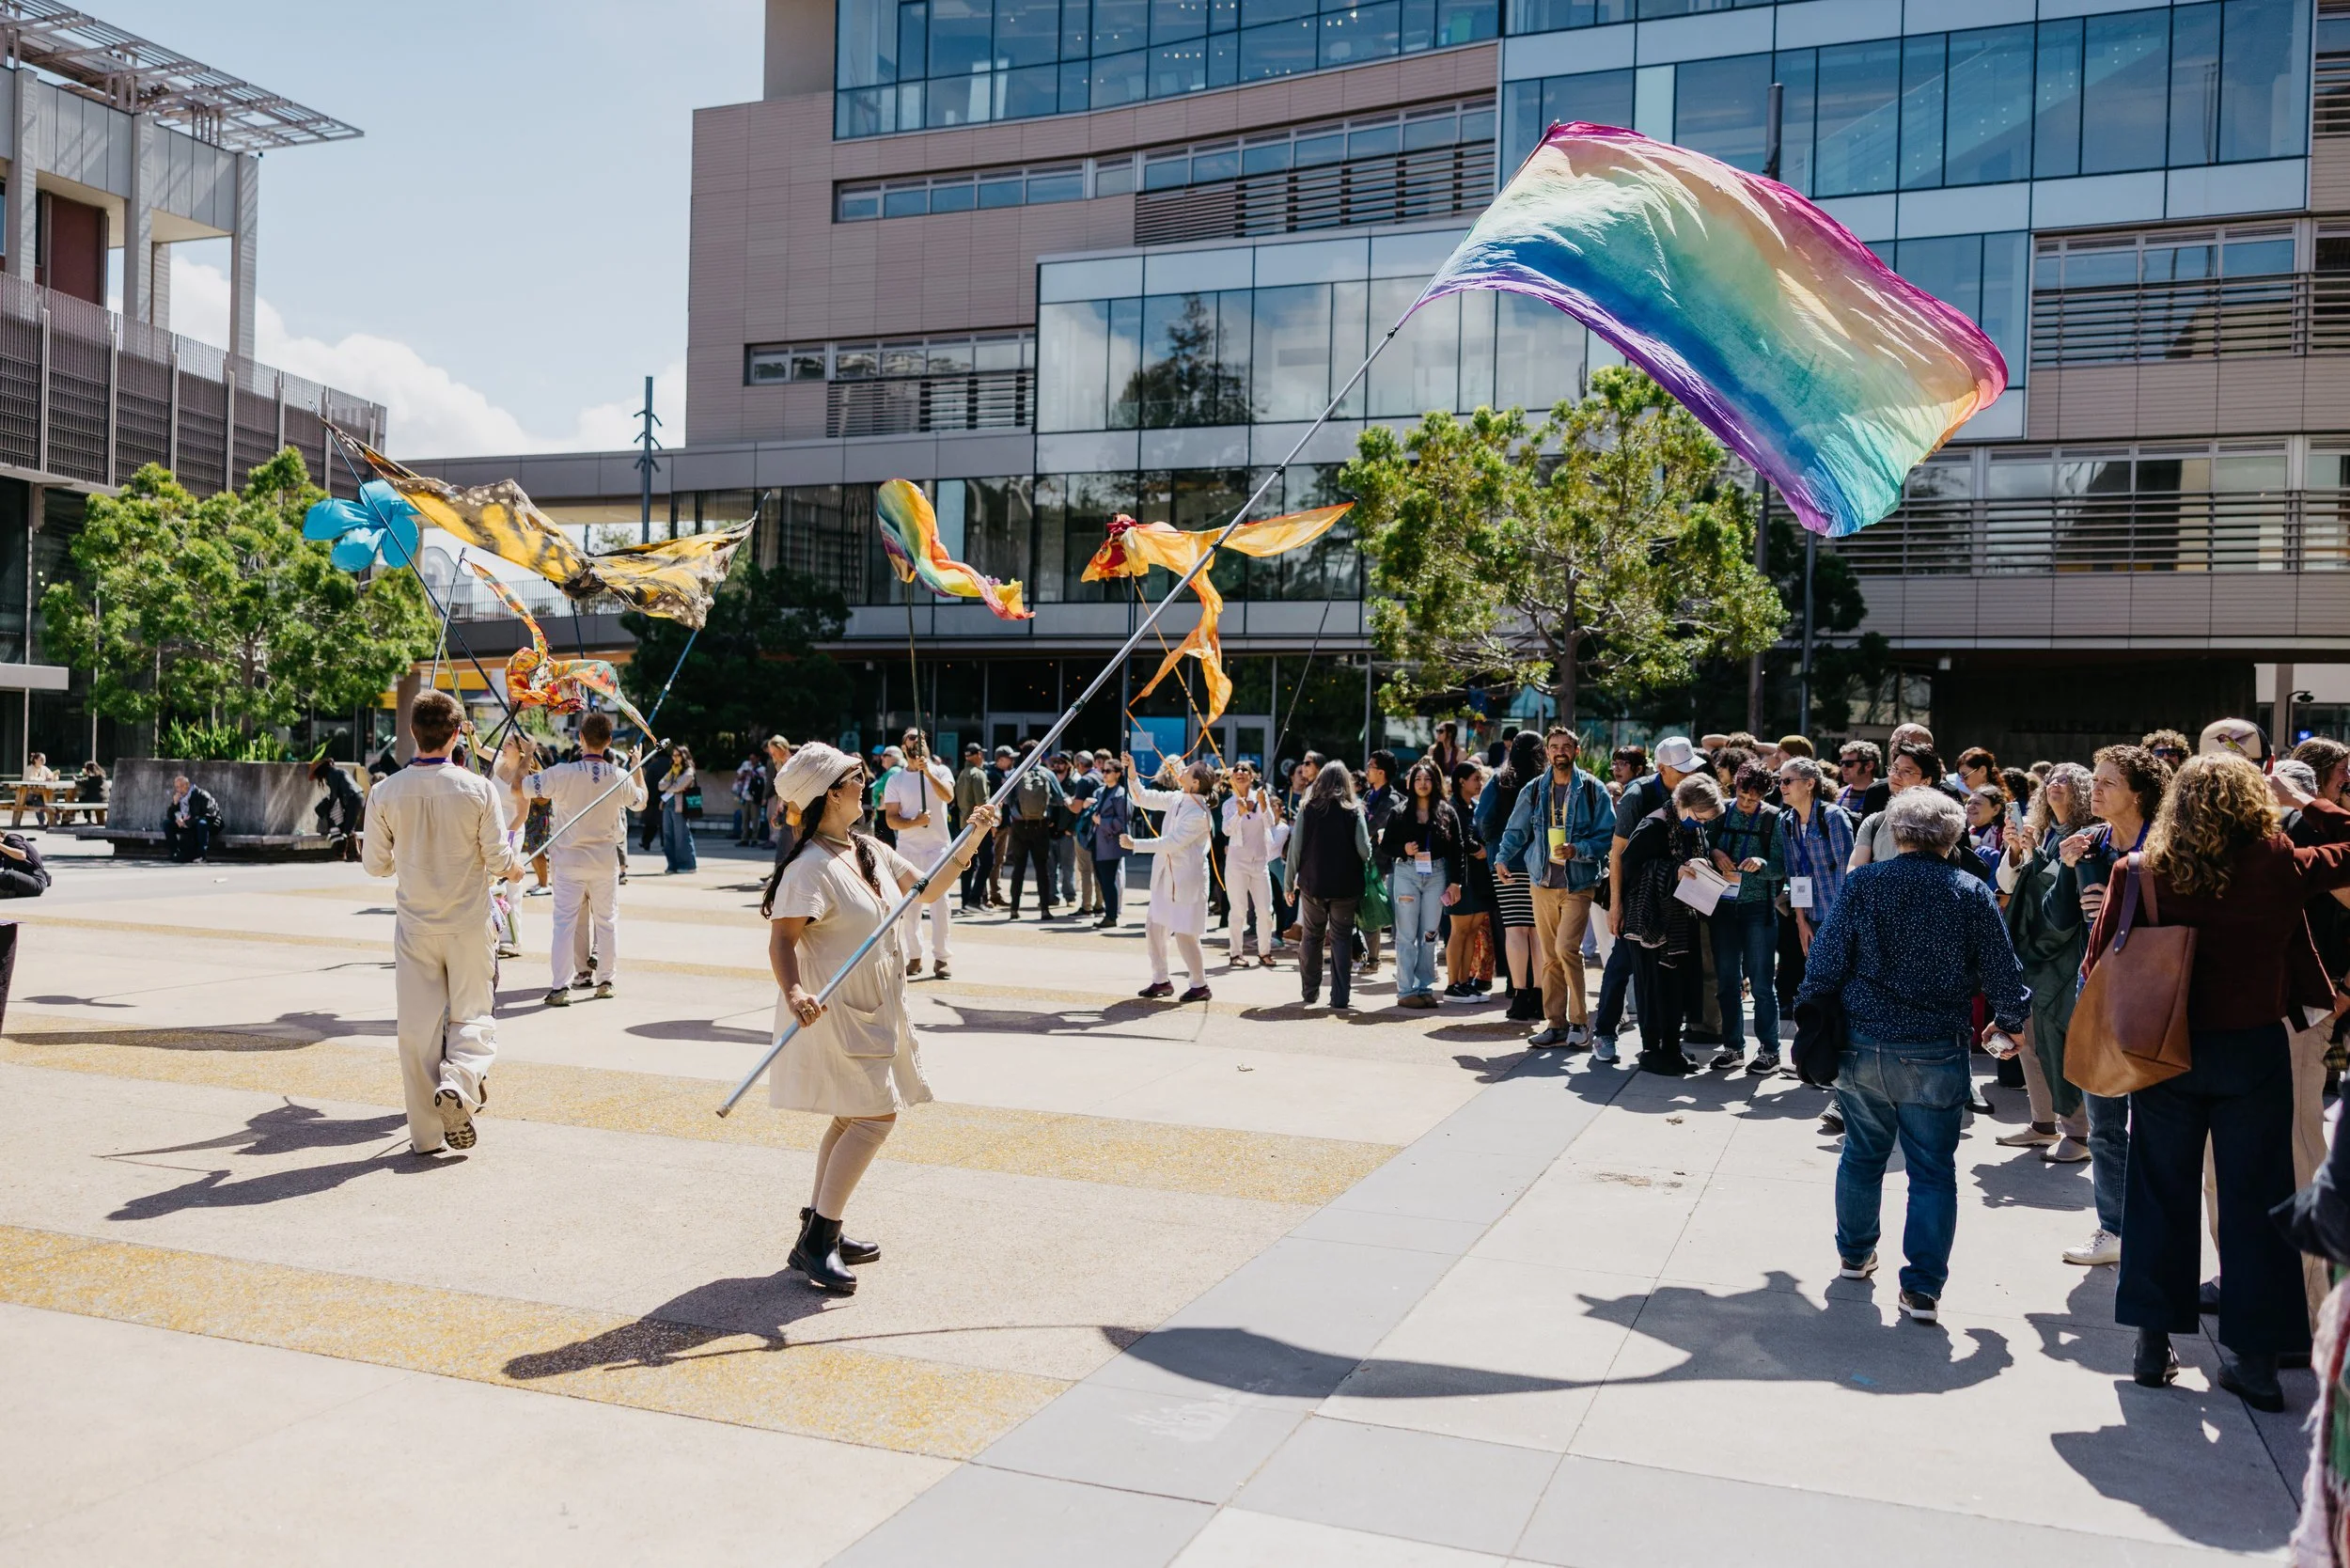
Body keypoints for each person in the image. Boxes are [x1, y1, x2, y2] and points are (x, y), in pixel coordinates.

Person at [2086, 756, 2350, 1409]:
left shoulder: (2139, 871)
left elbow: (2098, 962)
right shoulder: (2278, 864)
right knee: (2258, 1203)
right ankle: (2255, 1362)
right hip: (2253, 1050)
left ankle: (2152, 1344)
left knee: (2159, 1192)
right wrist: (2306, 802)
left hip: (2166, 1052)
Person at [764, 743, 997, 1294]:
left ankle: (820, 1226)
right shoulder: (808, 868)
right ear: (827, 795)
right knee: (874, 1117)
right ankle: (819, 1239)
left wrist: (974, 835)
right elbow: (782, 940)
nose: (866, 785)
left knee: (852, 1116)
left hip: (877, 1003)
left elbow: (931, 887)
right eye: (855, 779)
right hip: (835, 1010)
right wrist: (794, 990)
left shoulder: (867, 849)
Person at [1797, 788, 2029, 1324]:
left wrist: (1818, 1017)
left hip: (1864, 1042)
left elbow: (1824, 966)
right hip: (1934, 1047)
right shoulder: (1968, 890)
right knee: (1931, 1170)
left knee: (1861, 1154)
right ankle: (1922, 1288)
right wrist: (2010, 1023)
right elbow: (2002, 969)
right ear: (1953, 837)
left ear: (1897, 834)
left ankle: (1854, 1255)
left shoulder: (1864, 885)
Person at [362, 691, 528, 1155]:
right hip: (469, 922)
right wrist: (514, 869)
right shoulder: (478, 789)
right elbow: (498, 859)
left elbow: (375, 865)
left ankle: (426, 1135)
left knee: (416, 1030)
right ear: (457, 734)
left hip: (415, 924)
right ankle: (458, 1082)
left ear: (413, 732)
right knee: (472, 1016)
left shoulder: (384, 792)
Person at [2046, 743, 2170, 1268]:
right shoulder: (2089, 842)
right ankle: (2114, 1227)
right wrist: (2067, 865)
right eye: (2093, 781)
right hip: (2094, 984)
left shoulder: (2165, 845)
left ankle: (2155, 1225)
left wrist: (2121, 903)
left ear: (2139, 794)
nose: (2092, 790)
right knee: (2102, 1117)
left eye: (2107, 783)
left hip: (2150, 988)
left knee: (2156, 1117)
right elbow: (2058, 920)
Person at [1996, 762, 2095, 1162]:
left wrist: (2038, 859)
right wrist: (2020, 851)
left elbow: (2063, 898)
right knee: (2029, 1036)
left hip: (2067, 951)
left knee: (2060, 1037)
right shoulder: (2045, 836)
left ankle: (2078, 1133)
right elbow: (2007, 886)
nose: (2056, 785)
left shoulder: (2088, 837)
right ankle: (2041, 1125)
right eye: (2052, 779)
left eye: (2067, 780)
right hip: (2033, 948)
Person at [1495, 727, 1616, 1046]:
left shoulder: (1593, 789)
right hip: (1542, 881)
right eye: (1554, 746)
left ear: (1577, 751)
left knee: (1566, 950)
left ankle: (1579, 1022)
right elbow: (1516, 829)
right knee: (1549, 956)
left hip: (1579, 882)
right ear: (1546, 752)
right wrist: (1502, 857)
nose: (1559, 751)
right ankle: (1555, 1023)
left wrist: (1579, 850)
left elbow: (1607, 835)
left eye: (1566, 746)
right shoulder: (1535, 790)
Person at [1590, 736, 1703, 1063]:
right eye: (1681, 771)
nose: (1687, 776)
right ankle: (1605, 1032)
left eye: (1690, 769)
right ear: (1662, 768)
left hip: (1670, 900)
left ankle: (1666, 1040)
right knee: (1621, 964)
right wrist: (1616, 906)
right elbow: (1618, 852)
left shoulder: (1687, 792)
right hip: (1634, 898)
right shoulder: (1638, 795)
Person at [528, 713, 646, 1008]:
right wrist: (636, 768)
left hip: (569, 860)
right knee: (607, 921)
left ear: (581, 738)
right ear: (608, 742)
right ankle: (605, 981)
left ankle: (560, 987)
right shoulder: (619, 776)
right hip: (605, 859)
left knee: (564, 924)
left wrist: (529, 754)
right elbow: (640, 801)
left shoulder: (562, 773)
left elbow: (528, 787)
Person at [1616, 773, 1726, 1074]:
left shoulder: (1688, 828)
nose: (1702, 825)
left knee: (1676, 987)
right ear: (1685, 805)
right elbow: (1630, 868)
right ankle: (1654, 1049)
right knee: (1654, 986)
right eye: (1701, 817)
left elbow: (1693, 859)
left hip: (1680, 919)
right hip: (1651, 921)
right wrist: (1674, 871)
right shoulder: (1654, 825)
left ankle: (1672, 1047)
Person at [1706, 760, 1787, 1072]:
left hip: (1758, 908)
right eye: (1742, 795)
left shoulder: (1774, 819)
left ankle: (1770, 1049)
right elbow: (1703, 846)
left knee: (1762, 983)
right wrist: (1714, 853)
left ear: (1764, 795)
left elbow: (1782, 867)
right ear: (1735, 787)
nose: (1746, 802)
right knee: (1727, 981)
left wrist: (1761, 863)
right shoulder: (1721, 812)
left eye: (1754, 799)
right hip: (1723, 907)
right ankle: (1732, 1047)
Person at [1123, 754, 1215, 1001]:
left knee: (1185, 933)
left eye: (1189, 769)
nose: (1183, 769)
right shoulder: (1177, 797)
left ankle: (1200, 985)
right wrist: (1132, 771)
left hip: (1186, 880)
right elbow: (1142, 797)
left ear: (1196, 783)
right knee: (1154, 926)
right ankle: (1161, 980)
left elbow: (1173, 843)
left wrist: (1135, 844)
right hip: (1165, 876)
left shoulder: (1199, 813)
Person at [1775, 754, 1856, 1022]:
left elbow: (1849, 873)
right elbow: (1796, 875)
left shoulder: (1832, 816)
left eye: (1787, 780)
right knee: (1818, 985)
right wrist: (1800, 920)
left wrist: (1842, 924)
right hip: (1812, 917)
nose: (1782, 786)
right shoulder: (1786, 822)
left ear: (1810, 784)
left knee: (1844, 985)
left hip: (1841, 918)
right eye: (1779, 780)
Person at [1381, 758, 1465, 1008]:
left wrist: (1455, 883)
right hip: (1406, 872)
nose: (1423, 783)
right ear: (1411, 783)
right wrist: (1404, 848)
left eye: (1428, 778)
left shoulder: (1447, 812)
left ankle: (1424, 988)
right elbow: (1385, 846)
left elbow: (1457, 849)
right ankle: (1406, 991)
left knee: (1430, 934)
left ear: (1435, 782)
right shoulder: (1399, 812)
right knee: (1406, 935)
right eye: (1418, 779)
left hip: (1437, 874)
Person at [1288, 761, 1371, 1011]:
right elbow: (1365, 851)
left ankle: (1310, 991)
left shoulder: (1308, 808)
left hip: (1313, 883)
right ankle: (1340, 997)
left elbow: (1295, 849)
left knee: (1311, 937)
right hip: (1346, 885)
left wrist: (1288, 883)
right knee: (1341, 938)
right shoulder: (1354, 811)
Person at [1478, 731, 1546, 1023]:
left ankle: (1519, 997)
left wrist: (1494, 843)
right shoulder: (1547, 780)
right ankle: (1542, 997)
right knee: (1539, 932)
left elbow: (1482, 819)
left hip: (1506, 863)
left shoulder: (1500, 778)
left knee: (1516, 930)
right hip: (1543, 864)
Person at [883, 729, 958, 979]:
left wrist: (928, 773)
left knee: (940, 905)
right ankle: (914, 957)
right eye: (912, 739)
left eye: (922, 738)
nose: (918, 742)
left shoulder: (940, 771)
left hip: (938, 848)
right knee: (910, 907)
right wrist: (915, 821)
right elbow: (892, 820)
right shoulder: (896, 780)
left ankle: (942, 958)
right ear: (904, 747)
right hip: (908, 850)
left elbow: (948, 795)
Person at [1222, 760, 1287, 967]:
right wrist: (1239, 813)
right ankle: (1235, 953)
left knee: (1266, 911)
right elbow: (1226, 830)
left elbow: (1270, 823)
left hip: (1259, 862)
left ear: (1252, 776)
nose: (1240, 772)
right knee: (1239, 910)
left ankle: (1264, 952)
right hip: (1237, 864)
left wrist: (1264, 805)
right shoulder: (1229, 804)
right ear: (1232, 777)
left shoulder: (1261, 797)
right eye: (1237, 770)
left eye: (1245, 770)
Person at [1446, 762, 1497, 998]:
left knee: (1473, 929)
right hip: (1460, 877)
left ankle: (1465, 981)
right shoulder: (1451, 808)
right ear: (1461, 781)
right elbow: (1456, 840)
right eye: (1475, 778)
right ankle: (1452, 983)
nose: (1479, 783)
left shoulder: (1476, 807)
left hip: (1480, 878)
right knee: (1459, 931)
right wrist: (1478, 849)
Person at [1003, 753, 1065, 918]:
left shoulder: (1014, 774)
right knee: (1042, 869)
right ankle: (1045, 909)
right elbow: (1060, 799)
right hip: (1040, 825)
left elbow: (1007, 800)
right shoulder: (1047, 774)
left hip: (1019, 826)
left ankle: (1014, 909)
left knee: (1018, 868)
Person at [1084, 757, 1133, 928]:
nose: (1103, 774)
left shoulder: (1121, 795)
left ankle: (1111, 916)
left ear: (1118, 774)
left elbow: (1123, 822)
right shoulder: (1100, 791)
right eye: (1102, 771)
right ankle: (1108, 914)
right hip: (1098, 843)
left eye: (1108, 771)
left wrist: (1101, 822)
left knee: (1108, 880)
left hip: (1111, 845)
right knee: (1102, 879)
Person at [952, 743, 991, 909]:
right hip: (979, 826)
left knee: (968, 863)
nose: (982, 757)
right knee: (988, 861)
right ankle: (974, 900)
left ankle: (965, 902)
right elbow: (983, 804)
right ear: (976, 755)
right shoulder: (977, 774)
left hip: (964, 825)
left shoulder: (962, 774)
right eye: (980, 754)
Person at [1063, 755, 1103, 917]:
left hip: (1085, 830)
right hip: (1101, 828)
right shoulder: (1101, 775)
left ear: (1079, 764)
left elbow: (1076, 808)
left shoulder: (1084, 781)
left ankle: (1086, 907)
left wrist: (1067, 801)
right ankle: (1099, 905)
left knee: (1085, 870)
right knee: (1099, 870)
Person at [310, 757, 366, 859]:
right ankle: (351, 854)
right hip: (358, 797)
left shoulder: (331, 774)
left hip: (353, 799)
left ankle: (351, 854)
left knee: (347, 830)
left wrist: (330, 807)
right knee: (348, 828)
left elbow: (334, 795)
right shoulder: (339, 771)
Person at [163, 774, 222, 862]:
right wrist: (175, 805)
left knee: (202, 823)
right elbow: (170, 816)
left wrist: (189, 822)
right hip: (186, 824)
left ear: (187, 785)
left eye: (181, 786)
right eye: (177, 787)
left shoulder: (201, 795)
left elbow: (209, 816)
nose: (179, 790)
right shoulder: (179, 797)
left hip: (200, 825)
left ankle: (202, 855)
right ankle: (174, 853)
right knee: (167, 824)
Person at [659, 744, 699, 873]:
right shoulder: (672, 770)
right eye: (674, 755)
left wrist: (670, 785)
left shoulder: (689, 771)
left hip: (680, 806)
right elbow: (660, 785)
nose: (675, 758)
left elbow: (680, 785)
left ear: (684, 756)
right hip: (667, 805)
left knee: (681, 835)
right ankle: (672, 865)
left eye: (678, 755)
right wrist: (672, 784)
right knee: (668, 835)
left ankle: (688, 865)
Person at [1835, 741, 1882, 814]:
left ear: (1869, 766)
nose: (1843, 768)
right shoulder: (1836, 795)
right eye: (1841, 763)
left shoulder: (1884, 795)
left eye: (1849, 763)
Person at [0, 831, 49, 897]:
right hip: (22, 884)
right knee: (5, 875)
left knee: (8, 874)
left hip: (36, 881)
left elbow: (21, 855)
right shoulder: (3, 851)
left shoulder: (11, 838)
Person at [21, 751, 55, 827]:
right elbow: (29, 780)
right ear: (35, 760)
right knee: (38, 802)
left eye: (44, 759)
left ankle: (54, 820)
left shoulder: (44, 768)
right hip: (30, 794)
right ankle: (41, 822)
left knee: (53, 800)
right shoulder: (29, 769)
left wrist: (52, 777)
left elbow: (52, 775)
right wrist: (43, 779)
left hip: (42, 793)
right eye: (41, 759)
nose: (43, 761)